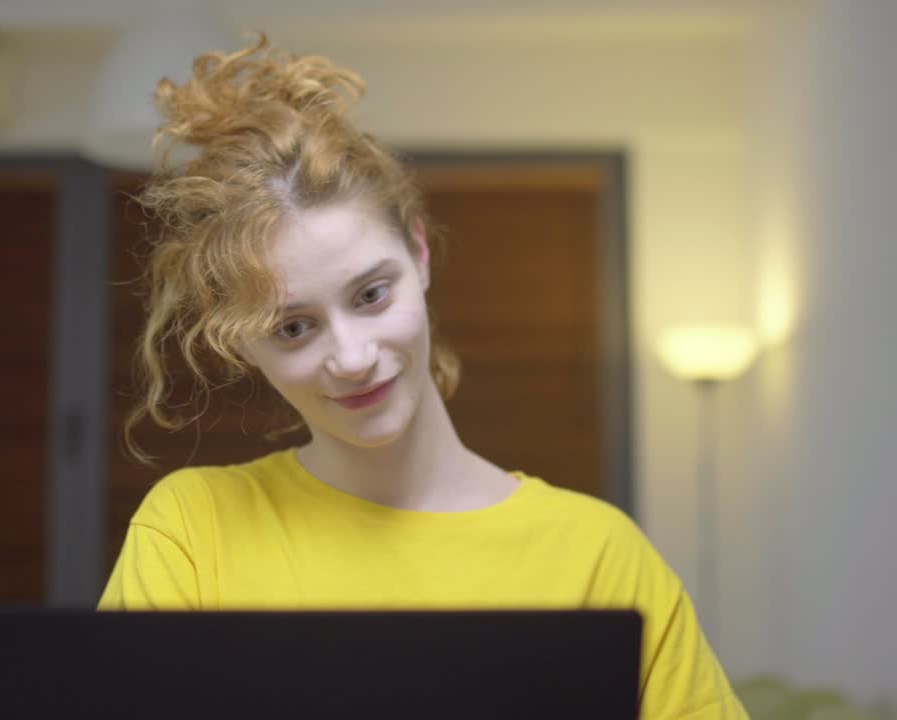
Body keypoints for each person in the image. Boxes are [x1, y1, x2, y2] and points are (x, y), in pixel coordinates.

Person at [98, 34, 747, 720]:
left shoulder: (600, 556)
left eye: (371, 295)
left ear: (420, 253)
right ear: (241, 345)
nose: (351, 357)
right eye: (293, 327)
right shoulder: (194, 532)